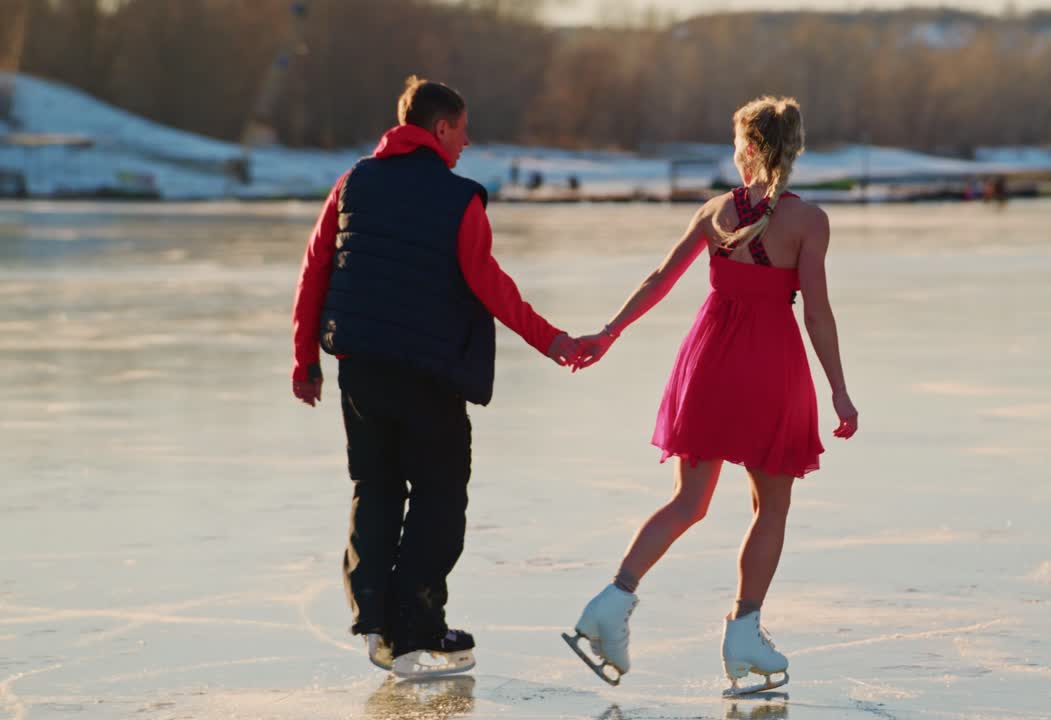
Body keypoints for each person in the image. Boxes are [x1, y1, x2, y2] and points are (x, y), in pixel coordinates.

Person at [562, 96, 859, 695]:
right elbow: (818, 315)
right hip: (771, 369)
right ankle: (743, 634)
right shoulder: (808, 222)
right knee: (769, 507)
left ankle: (610, 603)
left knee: (688, 503)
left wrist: (608, 333)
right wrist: (839, 393)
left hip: (708, 366)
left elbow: (658, 281)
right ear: (792, 151)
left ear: (746, 150)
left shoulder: (714, 212)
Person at [291, 76, 580, 679]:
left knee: (375, 486)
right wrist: (552, 341)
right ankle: (417, 627)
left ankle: (374, 620)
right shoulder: (459, 199)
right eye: (462, 130)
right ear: (439, 128)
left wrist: (305, 360)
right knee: (439, 495)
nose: (467, 142)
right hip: (428, 376)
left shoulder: (353, 183)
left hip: (361, 369)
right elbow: (490, 284)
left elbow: (316, 267)